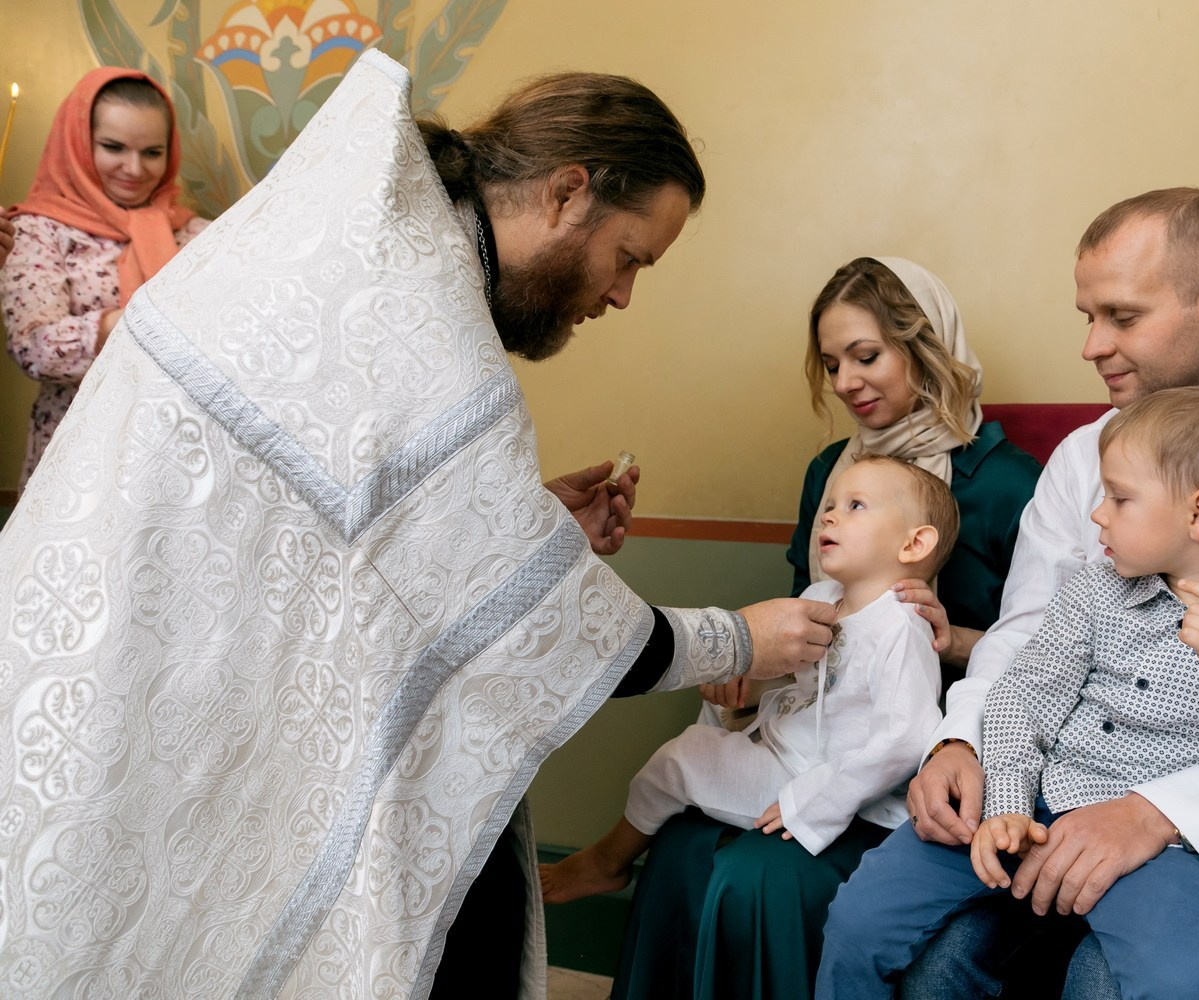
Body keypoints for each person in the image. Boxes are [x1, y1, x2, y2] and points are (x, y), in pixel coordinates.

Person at [0, 51, 836, 1000]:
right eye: (629, 257)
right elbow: (538, 617)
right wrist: (739, 639)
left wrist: (521, 520)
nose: (620, 295)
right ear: (569, 192)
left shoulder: (386, 246)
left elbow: (344, 509)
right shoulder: (421, 307)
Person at [878, 187, 1199, 998]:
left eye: (1122, 317)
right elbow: (1024, 638)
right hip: (1067, 780)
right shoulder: (1082, 459)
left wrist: (1154, 812)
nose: (1092, 345)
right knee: (936, 966)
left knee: (1110, 985)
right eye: (1087, 316)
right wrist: (963, 742)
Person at [819, 385, 1199, 999]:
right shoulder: (1093, 592)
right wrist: (1007, 804)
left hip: (1154, 849)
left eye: (1120, 498)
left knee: (1181, 981)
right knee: (860, 919)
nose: (1098, 514)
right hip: (1037, 802)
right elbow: (1024, 698)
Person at [612, 256, 1042, 1000]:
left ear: (928, 346)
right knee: (681, 848)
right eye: (833, 362)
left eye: (867, 356)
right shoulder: (831, 473)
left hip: (920, 759)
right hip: (809, 726)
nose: (846, 382)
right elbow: (807, 615)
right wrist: (751, 674)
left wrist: (959, 641)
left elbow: (1047, 650)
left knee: (757, 876)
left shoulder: (1008, 483)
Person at [542, 454, 957, 904]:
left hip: (817, 780)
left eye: (856, 505)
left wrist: (815, 806)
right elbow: (802, 680)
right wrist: (750, 684)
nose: (831, 514)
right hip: (787, 747)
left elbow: (906, 737)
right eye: (831, 503)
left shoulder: (900, 627)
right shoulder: (821, 598)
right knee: (714, 708)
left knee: (678, 758)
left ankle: (606, 862)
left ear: (914, 545)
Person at [1, 67, 209, 489]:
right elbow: (33, 350)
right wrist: (122, 323)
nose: (134, 168)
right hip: (77, 450)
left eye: (152, 152)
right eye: (114, 147)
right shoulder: (38, 231)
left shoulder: (196, 234)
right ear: (77, 144)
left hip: (177, 452)